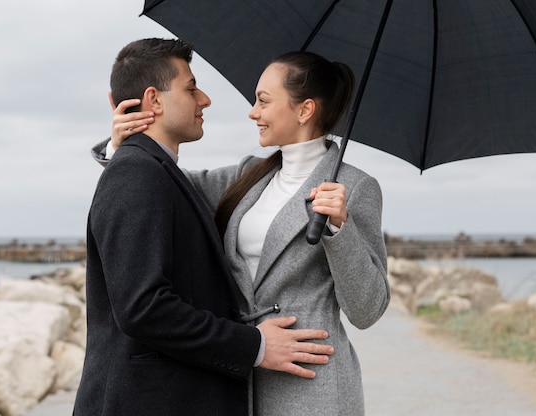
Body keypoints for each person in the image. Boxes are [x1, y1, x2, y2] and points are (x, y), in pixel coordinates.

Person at [95, 50, 391, 416]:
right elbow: (162, 184)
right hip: (236, 375)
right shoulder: (248, 174)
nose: (252, 112)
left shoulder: (356, 187)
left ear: (305, 110)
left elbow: (368, 309)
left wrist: (339, 230)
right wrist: (119, 148)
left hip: (310, 382)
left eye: (263, 101)